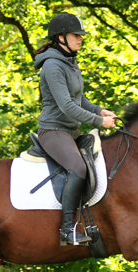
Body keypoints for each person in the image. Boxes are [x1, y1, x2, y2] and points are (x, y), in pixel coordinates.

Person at [34, 12, 117, 246]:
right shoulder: (52, 66)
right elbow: (67, 106)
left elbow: (79, 99)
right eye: (76, 35)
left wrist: (100, 110)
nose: (81, 39)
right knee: (78, 169)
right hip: (54, 132)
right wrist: (99, 123)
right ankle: (67, 231)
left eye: (81, 35)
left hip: (70, 132)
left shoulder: (70, 62)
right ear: (61, 37)